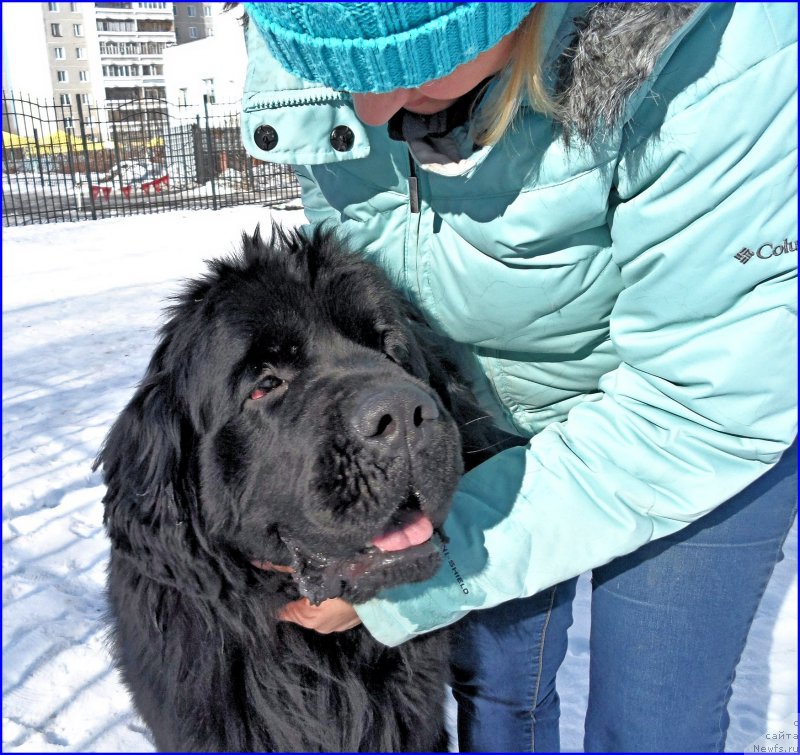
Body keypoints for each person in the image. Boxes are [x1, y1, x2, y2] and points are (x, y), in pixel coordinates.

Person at [238, 3, 798, 751]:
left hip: (689, 422)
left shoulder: (727, 53)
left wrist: (415, 576)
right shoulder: (324, 49)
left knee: (652, 721)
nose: (369, 111)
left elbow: (704, 403)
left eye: (409, 67)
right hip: (472, 411)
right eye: (340, 77)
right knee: (497, 693)